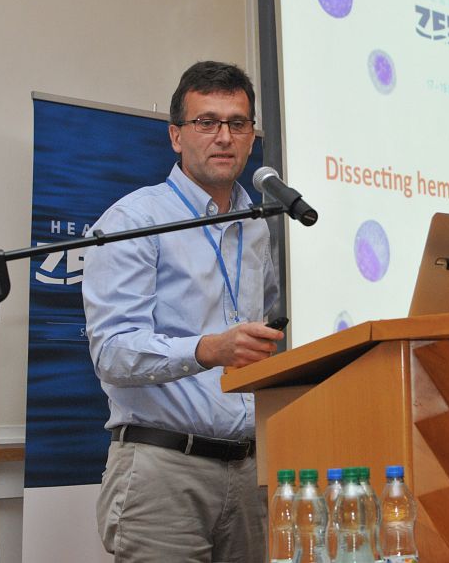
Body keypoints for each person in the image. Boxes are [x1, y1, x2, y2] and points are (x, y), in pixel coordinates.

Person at [81, 60, 283, 563]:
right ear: (176, 136)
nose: (224, 137)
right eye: (206, 122)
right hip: (164, 467)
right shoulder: (135, 219)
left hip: (250, 468)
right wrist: (209, 349)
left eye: (237, 123)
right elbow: (112, 352)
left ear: (251, 137)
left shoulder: (257, 225)